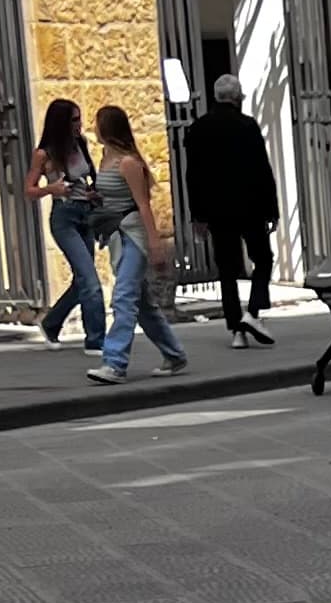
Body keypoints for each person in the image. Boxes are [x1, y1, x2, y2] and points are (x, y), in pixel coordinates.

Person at [86, 104, 188, 383]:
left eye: (97, 122)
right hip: (117, 235)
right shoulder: (106, 158)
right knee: (142, 304)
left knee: (123, 298)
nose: (93, 127)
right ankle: (175, 354)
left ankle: (114, 362)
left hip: (133, 235)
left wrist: (155, 244)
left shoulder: (129, 163)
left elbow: (143, 205)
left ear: (107, 128)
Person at [182, 74, 280, 345]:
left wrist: (197, 215)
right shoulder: (247, 126)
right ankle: (253, 312)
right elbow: (262, 169)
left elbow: (193, 176)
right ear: (237, 98)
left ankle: (237, 329)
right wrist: (272, 209)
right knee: (262, 259)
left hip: (216, 209)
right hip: (250, 206)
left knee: (227, 268)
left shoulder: (198, 128)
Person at [26, 97, 107, 351]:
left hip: (86, 214)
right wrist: (52, 188)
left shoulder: (80, 145)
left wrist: (93, 194)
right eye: (74, 120)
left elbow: (88, 177)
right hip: (65, 218)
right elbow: (28, 190)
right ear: (61, 123)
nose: (79, 124)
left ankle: (51, 323)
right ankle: (96, 342)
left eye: (79, 118)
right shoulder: (44, 154)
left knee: (82, 280)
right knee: (91, 282)